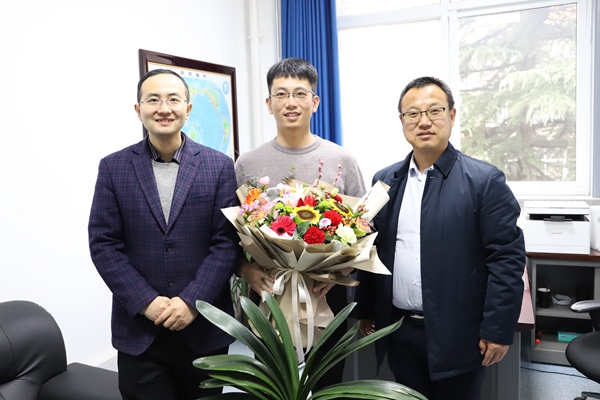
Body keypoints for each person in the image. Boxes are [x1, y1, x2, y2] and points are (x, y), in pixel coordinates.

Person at [354, 76, 525, 400]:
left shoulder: (484, 181)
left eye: (434, 111)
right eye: (413, 113)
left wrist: (498, 328)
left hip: (460, 334)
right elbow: (371, 245)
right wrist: (366, 307)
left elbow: (506, 259)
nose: (424, 121)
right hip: (400, 329)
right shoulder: (385, 180)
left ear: (452, 115)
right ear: (402, 120)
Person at [88, 69, 241, 400]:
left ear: (188, 109)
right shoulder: (113, 167)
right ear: (138, 109)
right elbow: (104, 244)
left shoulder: (219, 166)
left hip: (204, 328)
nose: (164, 108)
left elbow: (226, 242)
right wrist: (146, 301)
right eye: (153, 100)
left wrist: (191, 301)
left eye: (173, 99)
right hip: (140, 331)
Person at [234, 57, 366, 390]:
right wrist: (245, 269)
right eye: (281, 94)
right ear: (269, 104)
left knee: (325, 388)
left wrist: (340, 273)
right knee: (272, 389)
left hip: (326, 295)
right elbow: (230, 233)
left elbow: (364, 228)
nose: (290, 102)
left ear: (315, 102)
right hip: (269, 294)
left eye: (300, 93)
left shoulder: (342, 160)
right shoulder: (247, 163)